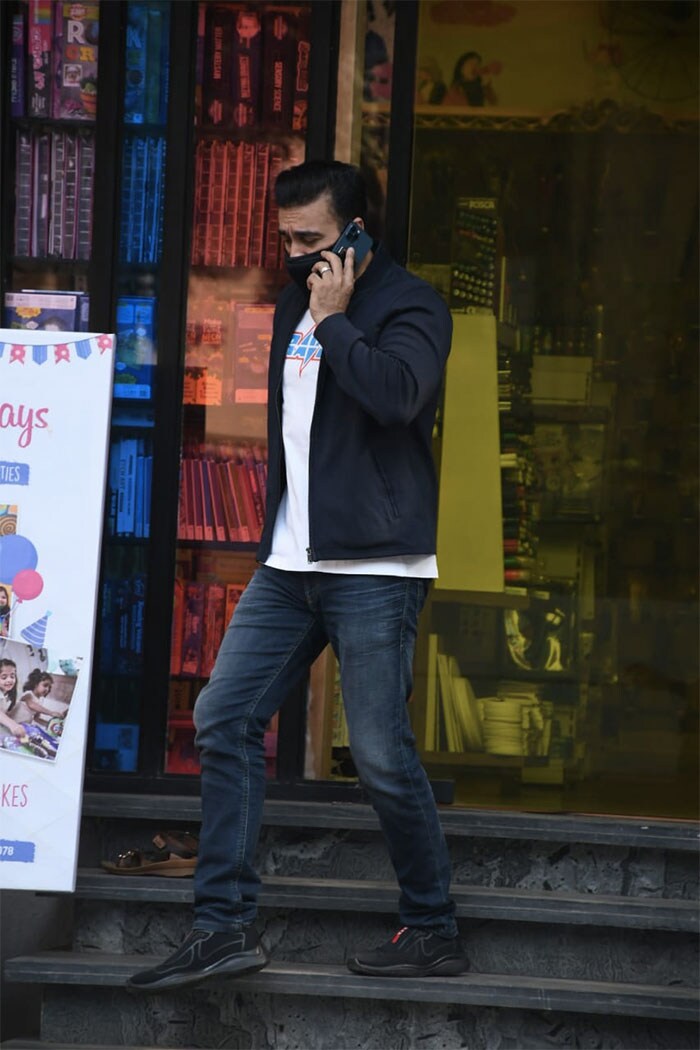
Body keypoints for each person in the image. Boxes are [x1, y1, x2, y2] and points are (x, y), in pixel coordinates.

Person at [129, 160, 467, 992]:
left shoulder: (411, 304)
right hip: (290, 562)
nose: (292, 254)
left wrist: (337, 319)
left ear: (357, 233)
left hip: (377, 565)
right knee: (223, 716)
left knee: (383, 754)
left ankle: (432, 927)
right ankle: (222, 927)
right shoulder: (292, 301)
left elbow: (399, 396)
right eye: (283, 239)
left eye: (310, 239)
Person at [0, 657, 32, 737]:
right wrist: (13, 725)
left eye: (12, 676)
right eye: (4, 677)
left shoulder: (8, 695)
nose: (9, 680)